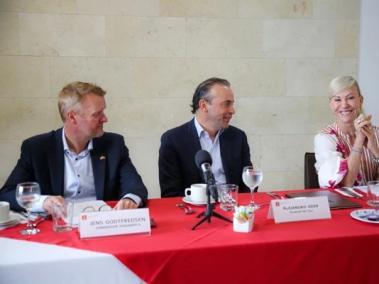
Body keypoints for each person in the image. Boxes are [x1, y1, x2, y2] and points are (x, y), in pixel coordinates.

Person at [0, 81, 148, 213]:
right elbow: (7, 194)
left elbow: (136, 188)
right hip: (57, 230)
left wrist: (130, 200)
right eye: (97, 114)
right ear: (72, 117)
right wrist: (43, 202)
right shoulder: (36, 148)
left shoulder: (114, 144)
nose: (105, 118)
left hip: (102, 227)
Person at [159, 77, 252, 197]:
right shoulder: (173, 140)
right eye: (226, 104)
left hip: (232, 209)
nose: (232, 110)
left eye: (232, 104)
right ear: (203, 105)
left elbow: (247, 184)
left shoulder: (238, 137)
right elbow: (170, 194)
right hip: (194, 212)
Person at [314, 75, 379, 188]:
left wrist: (375, 150)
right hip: (343, 204)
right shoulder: (325, 139)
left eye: (350, 98)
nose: (344, 105)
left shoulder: (376, 134)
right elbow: (346, 183)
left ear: (361, 100)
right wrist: (359, 140)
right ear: (331, 104)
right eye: (337, 99)